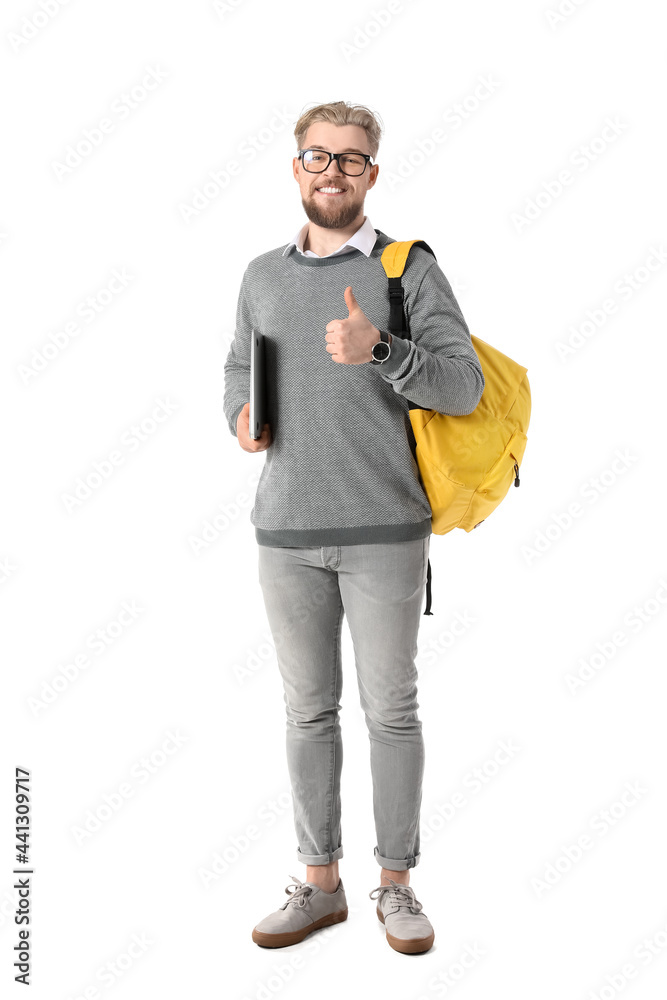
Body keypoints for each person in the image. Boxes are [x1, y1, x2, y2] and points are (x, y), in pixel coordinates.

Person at [223, 100, 484, 955]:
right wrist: (240, 416)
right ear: (294, 166)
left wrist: (380, 348)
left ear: (373, 173)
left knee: (391, 712)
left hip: (385, 527)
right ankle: (319, 883)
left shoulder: (406, 269)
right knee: (305, 712)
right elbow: (238, 368)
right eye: (316, 155)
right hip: (286, 529)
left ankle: (397, 886)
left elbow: (462, 388)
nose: (331, 170)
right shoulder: (261, 274)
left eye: (350, 158)